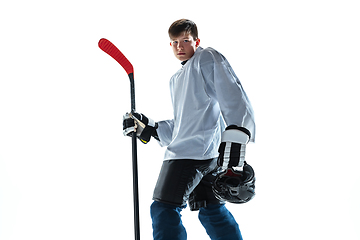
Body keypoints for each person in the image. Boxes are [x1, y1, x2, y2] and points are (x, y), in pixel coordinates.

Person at [123, 19, 255, 240]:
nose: (179, 46)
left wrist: (236, 138)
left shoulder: (206, 58)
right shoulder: (177, 79)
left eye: (185, 40)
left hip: (189, 156)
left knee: (164, 209)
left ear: (196, 41)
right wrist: (148, 128)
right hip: (207, 155)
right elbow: (183, 123)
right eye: (174, 42)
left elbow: (233, 95)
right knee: (211, 209)